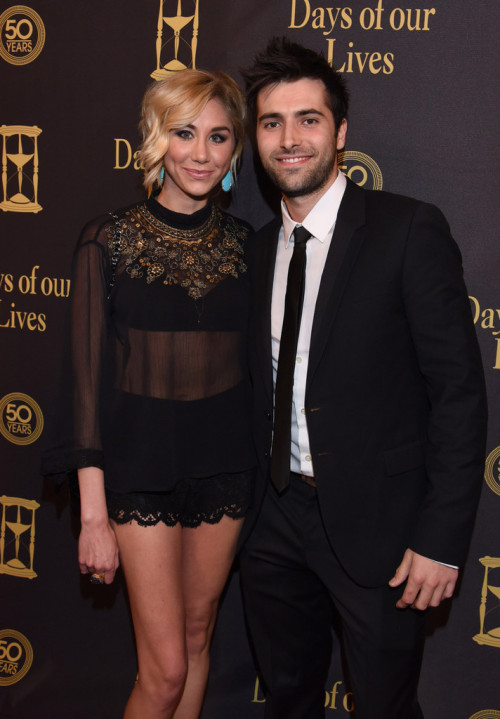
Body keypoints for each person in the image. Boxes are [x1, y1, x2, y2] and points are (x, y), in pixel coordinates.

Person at [238, 37, 487, 718]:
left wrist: (440, 537)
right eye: (271, 122)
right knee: (288, 697)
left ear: (340, 131)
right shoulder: (256, 250)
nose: (290, 139)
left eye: (308, 119)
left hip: (382, 527)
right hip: (272, 522)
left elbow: (459, 393)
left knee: (383, 704)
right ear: (256, 137)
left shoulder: (407, 230)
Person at [41, 69, 255, 719]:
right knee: (162, 671)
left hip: (224, 471)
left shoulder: (247, 246)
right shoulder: (106, 239)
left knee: (196, 639)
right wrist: (94, 515)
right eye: (185, 132)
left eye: (218, 137)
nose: (201, 151)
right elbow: (84, 386)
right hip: (137, 474)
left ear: (233, 154)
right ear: (156, 138)